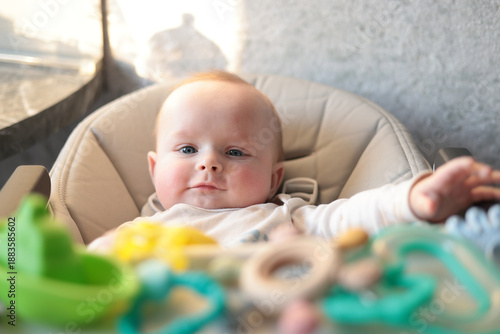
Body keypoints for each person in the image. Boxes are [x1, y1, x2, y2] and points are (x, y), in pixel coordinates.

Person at [88, 71, 500, 250]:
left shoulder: (285, 218)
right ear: (154, 170)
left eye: (235, 152)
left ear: (273, 180)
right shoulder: (138, 233)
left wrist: (411, 200)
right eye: (187, 150)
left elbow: (353, 217)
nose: (209, 164)